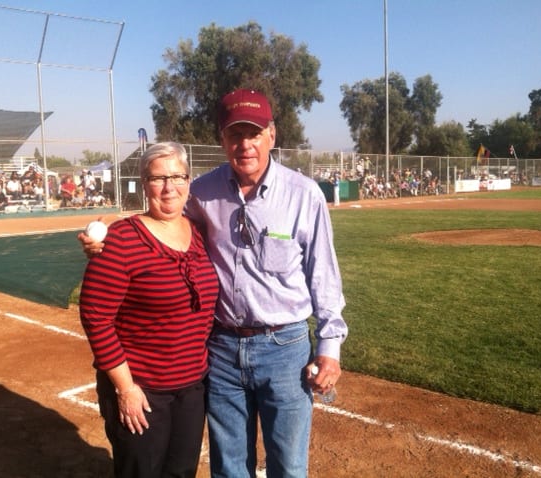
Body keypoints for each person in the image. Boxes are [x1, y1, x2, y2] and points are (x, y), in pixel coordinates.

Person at [81, 89, 348, 478]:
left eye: (254, 133)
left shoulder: (303, 195)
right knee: (228, 467)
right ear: (222, 140)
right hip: (221, 352)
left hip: (284, 348)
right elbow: (159, 211)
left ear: (272, 135)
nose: (245, 145)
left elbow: (323, 275)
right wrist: (106, 227)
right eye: (234, 134)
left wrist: (330, 347)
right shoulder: (202, 192)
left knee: (288, 465)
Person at [79, 142, 220, 478]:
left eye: (177, 177)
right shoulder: (121, 241)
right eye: (158, 179)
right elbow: (95, 317)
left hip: (191, 386)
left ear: (189, 181)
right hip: (141, 389)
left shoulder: (200, 232)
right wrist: (125, 389)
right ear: (144, 184)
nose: (169, 187)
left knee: (182, 471)